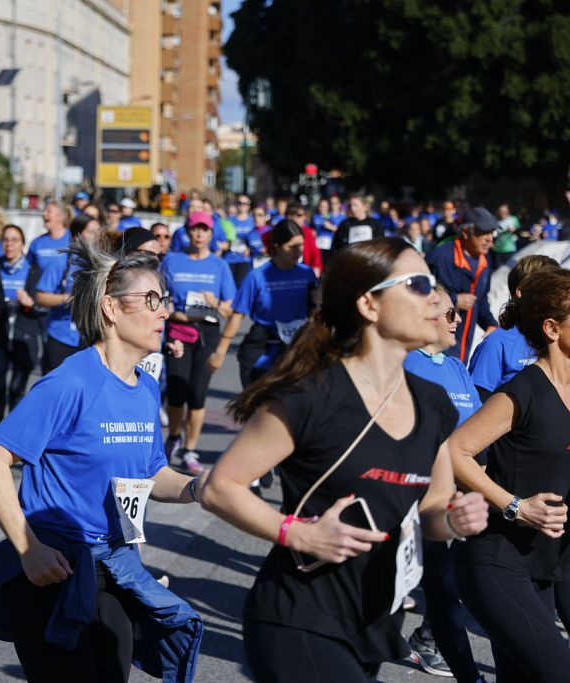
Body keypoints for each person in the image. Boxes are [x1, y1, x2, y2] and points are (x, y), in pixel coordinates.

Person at [0, 236, 205, 682]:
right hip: (54, 573)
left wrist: (196, 488)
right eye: (151, 299)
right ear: (111, 309)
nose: (163, 312)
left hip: (116, 569)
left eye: (165, 300)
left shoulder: (146, 387)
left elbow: (152, 472)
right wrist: (28, 549)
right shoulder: (71, 382)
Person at [200, 237, 488, 681]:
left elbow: (431, 509)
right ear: (369, 305)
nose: (435, 296)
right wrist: (298, 534)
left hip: (372, 624)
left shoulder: (434, 404)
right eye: (416, 284)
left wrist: (454, 520)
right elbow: (220, 487)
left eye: (433, 284)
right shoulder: (312, 395)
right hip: (297, 618)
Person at [449, 267, 570, 682]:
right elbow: (455, 452)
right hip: (495, 562)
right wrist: (516, 506)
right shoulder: (522, 391)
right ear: (552, 328)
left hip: (544, 567)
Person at [400, 285, 485, 682]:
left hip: (449, 496)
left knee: (445, 584)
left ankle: (434, 646)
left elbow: (477, 430)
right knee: (430, 586)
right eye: (452, 314)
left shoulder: (455, 367)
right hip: (409, 497)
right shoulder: (406, 363)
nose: (458, 321)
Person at [160, 211, 236, 476]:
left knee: (198, 394)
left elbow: (229, 309)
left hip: (208, 333)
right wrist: (175, 313)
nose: (199, 234)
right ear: (187, 232)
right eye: (195, 229)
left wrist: (213, 302)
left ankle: (190, 449)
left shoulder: (219, 266)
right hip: (179, 329)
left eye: (205, 230)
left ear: (211, 234)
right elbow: (160, 298)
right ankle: (173, 438)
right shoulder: (172, 261)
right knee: (177, 391)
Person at [208, 219, 317, 389]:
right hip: (261, 349)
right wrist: (220, 352)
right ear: (277, 247)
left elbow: (315, 311)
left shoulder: (307, 274)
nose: (299, 252)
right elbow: (237, 315)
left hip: (294, 350)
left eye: (301, 245)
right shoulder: (257, 276)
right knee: (257, 410)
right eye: (292, 247)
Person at [467, 254, 558, 401]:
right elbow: (477, 406)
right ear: (521, 292)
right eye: (548, 288)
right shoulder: (497, 343)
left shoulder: (558, 339)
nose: (556, 297)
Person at [0, 224, 41, 425]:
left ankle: (11, 433)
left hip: (25, 335)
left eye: (14, 240)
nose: (9, 244)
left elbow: (42, 306)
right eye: (6, 239)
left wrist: (31, 304)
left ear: (22, 244)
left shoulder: (33, 270)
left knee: (17, 390)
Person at [426, 206, 498, 363]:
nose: (489, 239)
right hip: (437, 348)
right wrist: (454, 299)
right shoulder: (441, 257)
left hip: (463, 349)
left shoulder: (485, 260)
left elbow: (481, 300)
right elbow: (422, 294)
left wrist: (491, 324)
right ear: (465, 232)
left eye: (491, 233)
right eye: (483, 233)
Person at [35, 214, 101, 374]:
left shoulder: (102, 264)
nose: (97, 236)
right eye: (91, 232)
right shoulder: (61, 262)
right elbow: (40, 297)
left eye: (98, 232)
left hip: (90, 338)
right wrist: (70, 298)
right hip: (61, 335)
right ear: (76, 235)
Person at [28, 198, 70, 272]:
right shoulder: (37, 243)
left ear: (60, 216)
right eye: (44, 211)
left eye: (48, 211)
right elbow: (28, 270)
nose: (43, 214)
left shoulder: (72, 240)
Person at [224, 194, 256, 286]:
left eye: (245, 203)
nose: (242, 205)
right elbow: (224, 238)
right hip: (230, 258)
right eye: (240, 203)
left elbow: (256, 239)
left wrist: (250, 248)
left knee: (241, 286)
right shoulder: (229, 221)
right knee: (230, 287)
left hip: (245, 259)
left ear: (249, 206)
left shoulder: (253, 221)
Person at [491, 203, 520, 270]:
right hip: (497, 250)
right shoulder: (493, 219)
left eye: (505, 212)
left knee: (510, 270)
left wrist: (514, 230)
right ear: (497, 211)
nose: (503, 213)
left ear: (508, 211)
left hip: (510, 249)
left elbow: (520, 232)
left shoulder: (513, 219)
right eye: (501, 211)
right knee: (498, 271)